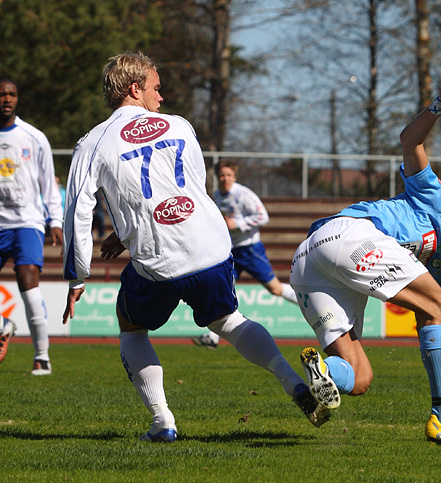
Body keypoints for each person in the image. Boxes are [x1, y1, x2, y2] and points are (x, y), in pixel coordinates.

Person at [62, 52, 333, 442]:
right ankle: (291, 382)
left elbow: (77, 212)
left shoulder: (92, 143)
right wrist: (129, 229)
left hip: (160, 260)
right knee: (228, 321)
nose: (162, 93)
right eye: (156, 87)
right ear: (134, 89)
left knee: (131, 326)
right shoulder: (180, 126)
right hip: (211, 247)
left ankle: (162, 422)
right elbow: (188, 187)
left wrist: (77, 277)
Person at [291, 65, 441, 450]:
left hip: (309, 262)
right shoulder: (435, 198)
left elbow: (430, 325)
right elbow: (410, 140)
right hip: (349, 235)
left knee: (359, 378)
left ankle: (322, 370)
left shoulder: (436, 265)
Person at [192, 160, 298, 349]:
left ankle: (308, 302)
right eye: (222, 175)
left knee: (274, 289)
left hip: (249, 250)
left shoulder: (244, 194)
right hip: (230, 251)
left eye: (228, 175)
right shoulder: (217, 195)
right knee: (223, 290)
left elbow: (263, 217)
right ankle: (212, 337)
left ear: (235, 176)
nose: (225, 179)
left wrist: (238, 224)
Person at [0, 77, 63, 375]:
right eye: (2, 95)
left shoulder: (34, 137)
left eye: (11, 94)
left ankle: (42, 356)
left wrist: (55, 220)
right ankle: (3, 325)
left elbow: (48, 183)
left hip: (27, 221)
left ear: (17, 98)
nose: (6, 99)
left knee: (28, 284)